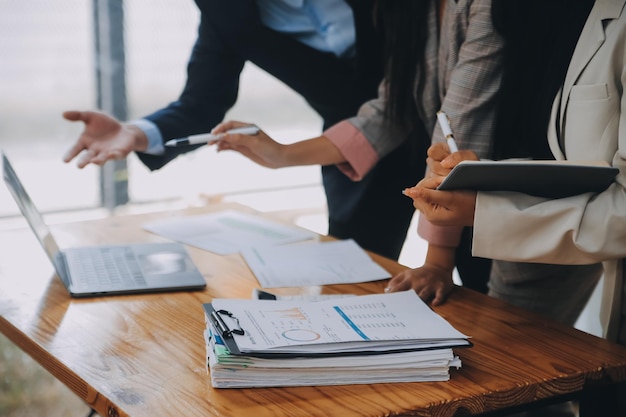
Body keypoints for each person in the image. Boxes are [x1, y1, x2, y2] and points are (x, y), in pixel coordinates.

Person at [62, 0, 419, 261]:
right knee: (357, 277)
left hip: (460, 129)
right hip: (347, 152)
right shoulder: (226, 10)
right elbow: (201, 103)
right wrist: (137, 132)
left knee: (472, 257)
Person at [405, 0, 626, 413]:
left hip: (575, 256)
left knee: (515, 384)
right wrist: (488, 174)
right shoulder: (586, 15)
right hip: (600, 285)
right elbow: (583, 164)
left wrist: (483, 210)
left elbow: (620, 202)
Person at [212, 0, 501, 297]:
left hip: (506, 190)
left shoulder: (481, 7)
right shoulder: (412, 9)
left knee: (500, 304)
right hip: (458, 189)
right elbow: (391, 109)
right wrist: (283, 154)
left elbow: (460, 124)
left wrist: (437, 261)